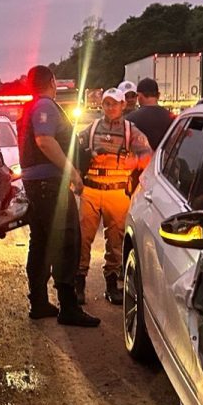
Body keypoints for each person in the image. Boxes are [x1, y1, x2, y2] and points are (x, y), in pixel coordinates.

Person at [18, 65, 100, 327]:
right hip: (49, 186)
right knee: (67, 241)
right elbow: (44, 140)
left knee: (41, 242)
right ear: (52, 82)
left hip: (36, 185)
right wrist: (73, 173)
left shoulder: (30, 107)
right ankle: (68, 307)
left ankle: (39, 302)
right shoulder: (44, 106)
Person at [74, 88, 152, 305]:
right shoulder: (91, 129)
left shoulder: (131, 132)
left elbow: (149, 155)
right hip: (91, 190)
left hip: (118, 192)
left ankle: (112, 285)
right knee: (82, 239)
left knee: (115, 241)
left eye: (114, 104)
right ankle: (79, 284)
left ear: (122, 105)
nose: (110, 107)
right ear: (102, 105)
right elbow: (75, 150)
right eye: (107, 104)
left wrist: (135, 162)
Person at [128, 77, 174, 149]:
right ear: (158, 95)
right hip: (162, 159)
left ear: (139, 96)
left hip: (141, 159)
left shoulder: (130, 118)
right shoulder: (172, 118)